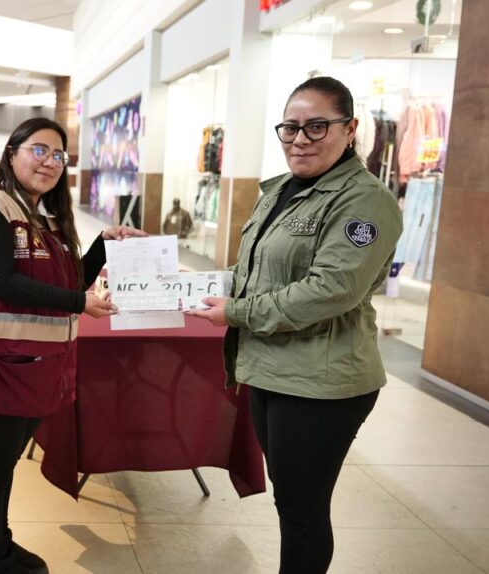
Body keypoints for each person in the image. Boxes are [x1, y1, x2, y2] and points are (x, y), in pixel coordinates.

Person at [188, 76, 403, 574]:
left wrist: (236, 312)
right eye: (290, 128)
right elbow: (258, 270)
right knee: (291, 499)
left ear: (350, 129)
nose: (300, 139)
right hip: (272, 368)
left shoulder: (364, 201)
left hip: (322, 382)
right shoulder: (282, 190)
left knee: (302, 509)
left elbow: (331, 289)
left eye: (316, 126)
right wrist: (185, 282)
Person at [0, 118, 145, 574]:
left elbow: (70, 281)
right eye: (38, 150)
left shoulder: (47, 219)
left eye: (58, 155)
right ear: (12, 153)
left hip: (37, 367)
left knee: (4, 466)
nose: (49, 162)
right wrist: (80, 304)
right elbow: (2, 282)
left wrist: (103, 245)